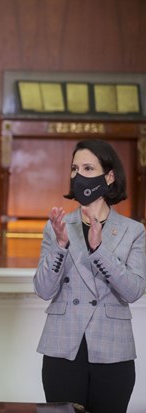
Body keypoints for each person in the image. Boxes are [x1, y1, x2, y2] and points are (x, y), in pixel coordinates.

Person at [33, 139, 145, 413]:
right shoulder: (57, 226)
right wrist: (60, 246)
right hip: (63, 349)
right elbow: (43, 290)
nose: (79, 176)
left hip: (112, 351)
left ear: (109, 176)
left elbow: (134, 291)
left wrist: (99, 250)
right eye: (74, 169)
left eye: (88, 168)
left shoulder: (133, 231)